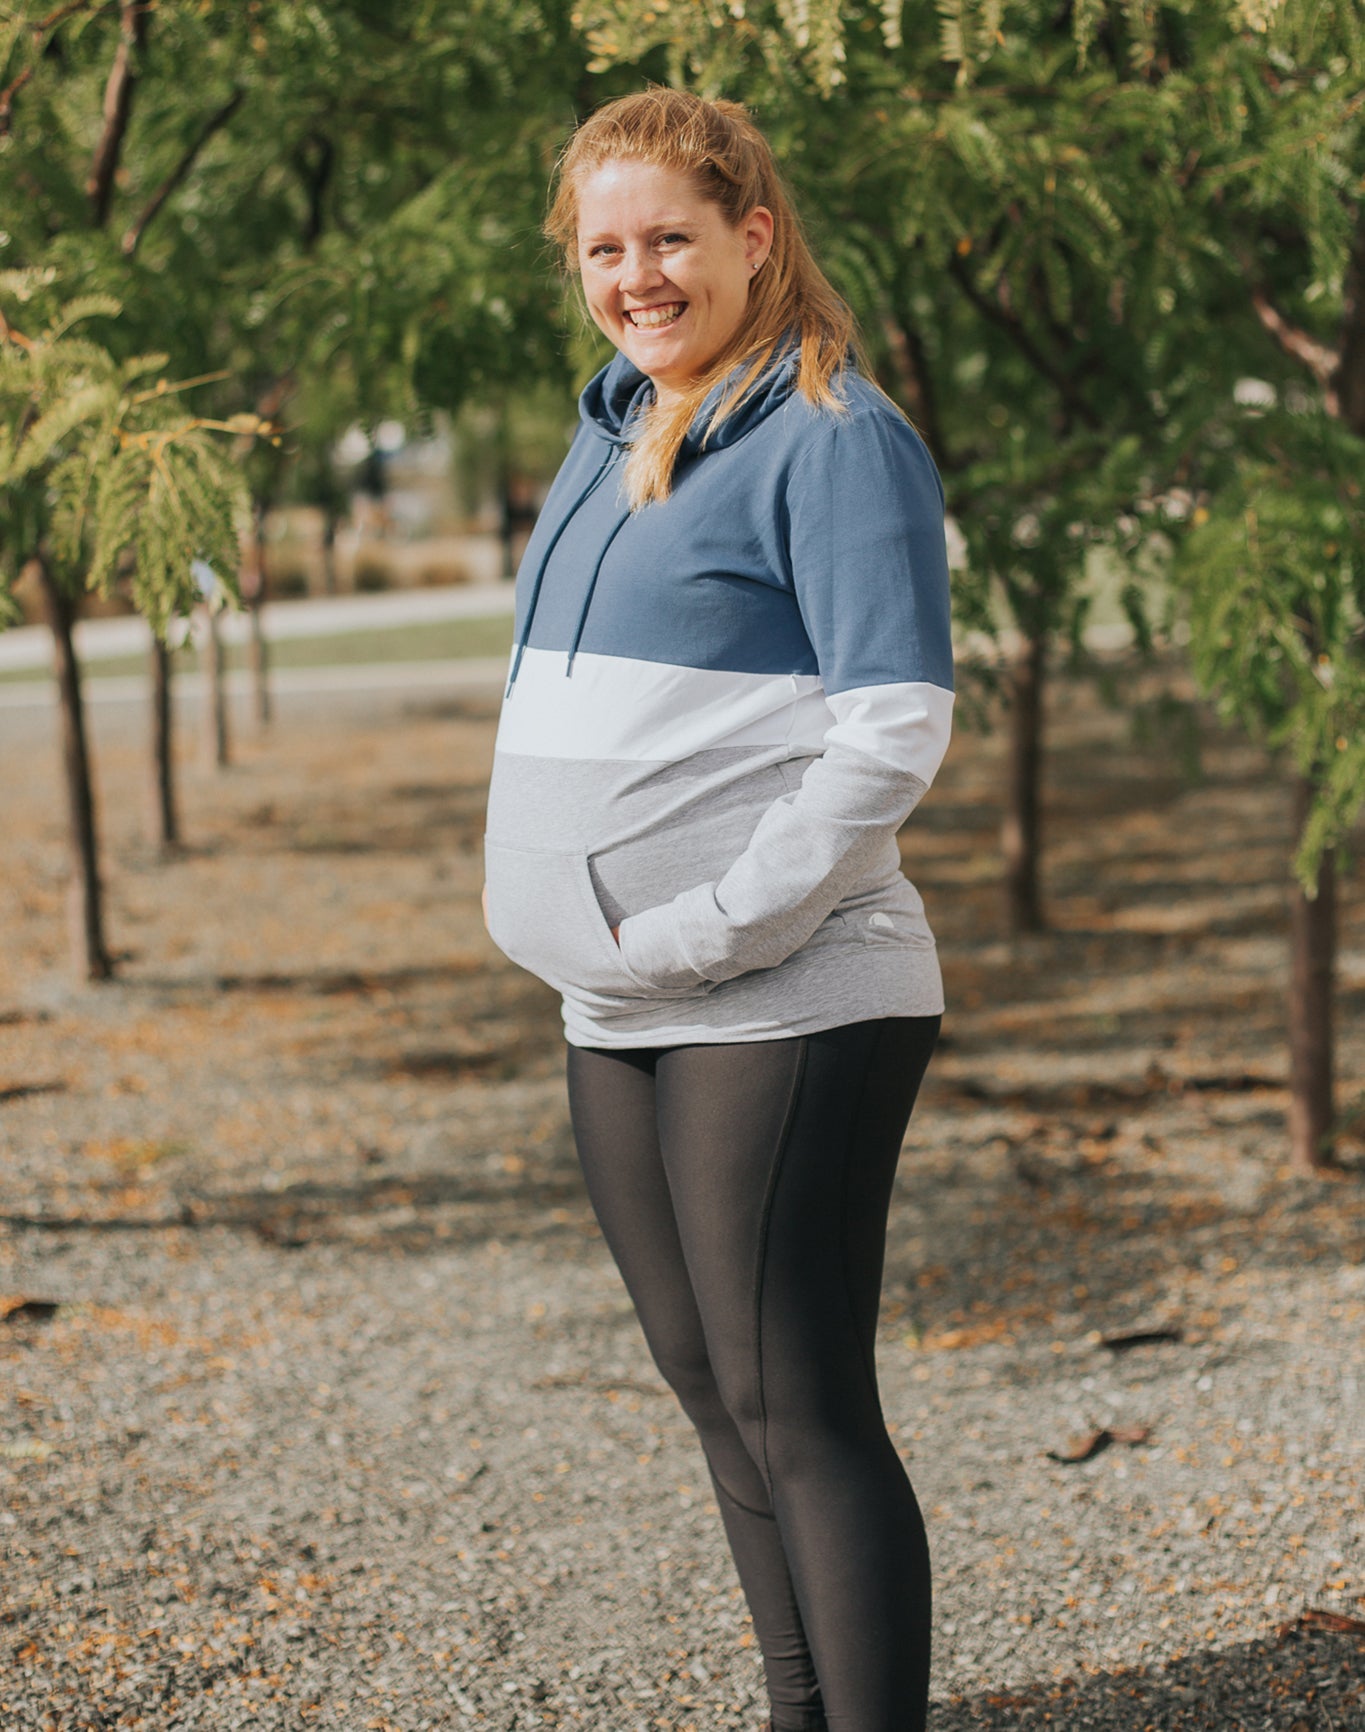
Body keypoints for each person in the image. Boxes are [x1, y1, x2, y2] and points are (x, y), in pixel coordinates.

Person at [481, 86, 954, 1732]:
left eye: (669, 237)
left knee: (795, 1396)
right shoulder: (611, 427)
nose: (636, 275)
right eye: (603, 247)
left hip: (784, 994)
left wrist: (706, 932)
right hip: (617, 1004)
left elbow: (890, 729)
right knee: (709, 1387)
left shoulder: (831, 435)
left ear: (752, 237)